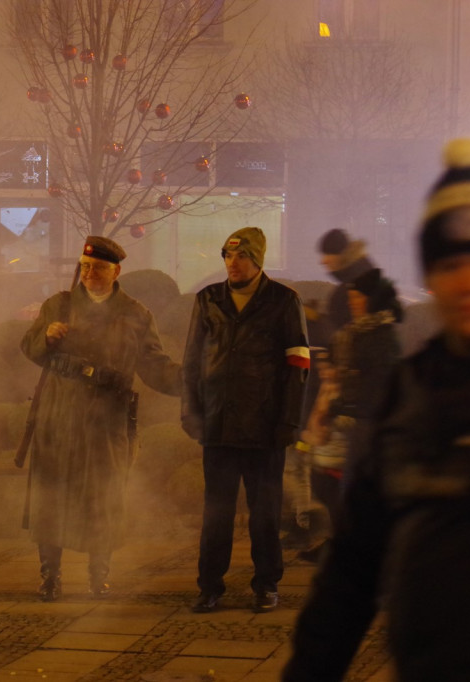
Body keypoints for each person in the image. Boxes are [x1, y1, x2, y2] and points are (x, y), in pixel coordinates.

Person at [283, 138, 470, 681]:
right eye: (451, 263)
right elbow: (352, 571)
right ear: (432, 277)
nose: (467, 281)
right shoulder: (412, 396)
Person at [19, 236, 182, 601]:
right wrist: (45, 336)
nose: (90, 273)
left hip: (107, 419)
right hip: (58, 416)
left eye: (99, 268)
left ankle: (98, 577)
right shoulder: (58, 306)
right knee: (52, 499)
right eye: (86, 266)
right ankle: (50, 577)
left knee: (104, 498)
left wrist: (191, 381)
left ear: (116, 272)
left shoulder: (136, 314)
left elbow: (155, 364)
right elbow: (27, 346)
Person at [181, 227, 310, 613]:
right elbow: (191, 362)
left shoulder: (284, 301)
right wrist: (192, 412)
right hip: (218, 425)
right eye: (228, 256)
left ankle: (266, 584)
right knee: (216, 514)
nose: (232, 263)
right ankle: (210, 586)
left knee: (265, 514)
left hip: (265, 426)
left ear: (258, 260)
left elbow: (298, 364)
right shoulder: (208, 300)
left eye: (241, 256)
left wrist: (288, 421)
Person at [297, 268, 402, 563]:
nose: (354, 301)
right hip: (349, 421)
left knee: (351, 491)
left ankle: (359, 552)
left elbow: (374, 386)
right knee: (329, 482)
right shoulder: (359, 332)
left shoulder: (381, 336)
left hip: (365, 425)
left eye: (360, 296)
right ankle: (344, 545)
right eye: (353, 296)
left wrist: (340, 404)